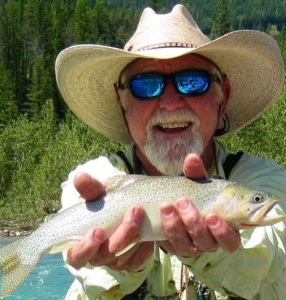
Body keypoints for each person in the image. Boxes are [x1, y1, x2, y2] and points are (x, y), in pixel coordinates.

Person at [55, 4, 286, 300]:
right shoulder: (94, 183)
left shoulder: (267, 181)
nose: (171, 102)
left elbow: (270, 256)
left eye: (193, 82)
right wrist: (121, 268)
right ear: (122, 102)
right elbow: (84, 265)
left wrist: (218, 255)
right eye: (146, 84)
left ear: (222, 97)